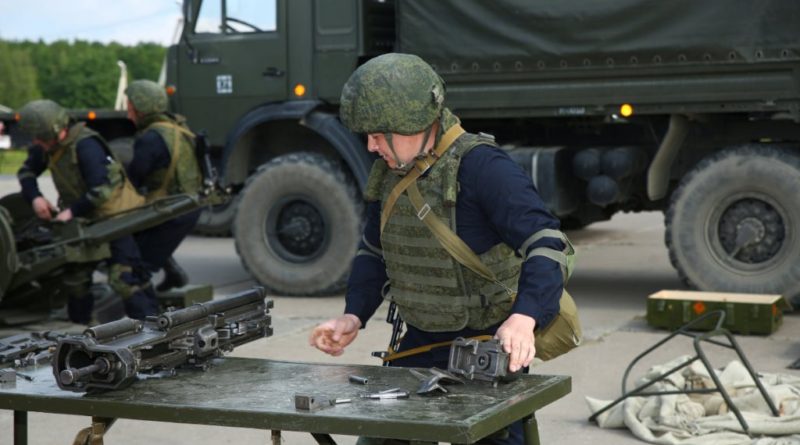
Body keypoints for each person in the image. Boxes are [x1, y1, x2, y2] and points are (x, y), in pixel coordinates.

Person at [309, 53, 581, 445]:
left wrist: (524, 318)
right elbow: (374, 251)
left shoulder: (483, 167)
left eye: (377, 133)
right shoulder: (389, 175)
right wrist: (353, 316)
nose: (370, 146)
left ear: (414, 123)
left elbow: (547, 242)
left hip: (488, 347)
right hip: (420, 342)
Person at [16, 99, 157, 323]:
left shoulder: (86, 145)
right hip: (82, 222)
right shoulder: (49, 145)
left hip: (113, 219)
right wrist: (35, 198)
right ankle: (82, 333)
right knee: (76, 281)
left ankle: (153, 328)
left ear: (54, 131)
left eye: (39, 137)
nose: (35, 142)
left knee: (125, 279)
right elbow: (26, 172)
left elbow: (101, 190)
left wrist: (70, 213)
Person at [124, 79, 203, 291]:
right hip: (188, 205)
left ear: (142, 109)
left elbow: (131, 182)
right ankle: (173, 273)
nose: (128, 113)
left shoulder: (151, 139)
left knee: (134, 265)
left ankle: (144, 309)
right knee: (146, 241)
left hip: (171, 212)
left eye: (131, 108)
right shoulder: (178, 128)